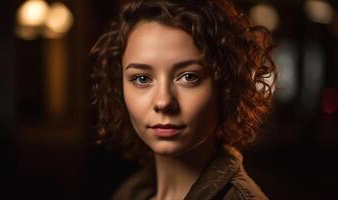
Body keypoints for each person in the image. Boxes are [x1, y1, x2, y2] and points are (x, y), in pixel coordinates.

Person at [90, 0, 277, 199]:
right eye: (142, 78)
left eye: (189, 77)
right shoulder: (129, 193)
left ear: (226, 86)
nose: (163, 102)